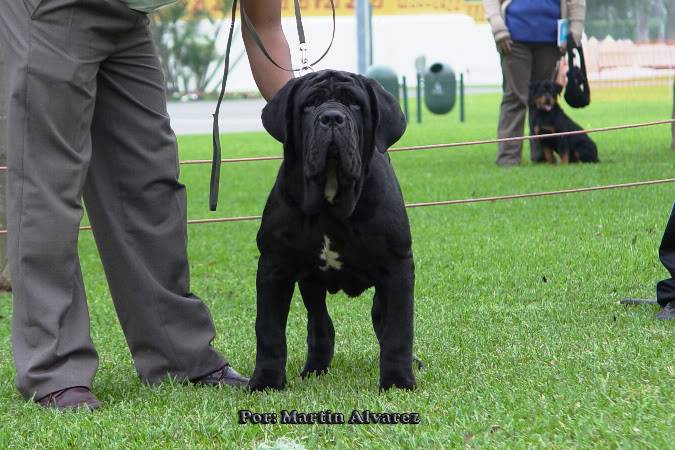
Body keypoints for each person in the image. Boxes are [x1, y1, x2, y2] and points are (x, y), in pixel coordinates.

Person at [0, 0, 292, 410]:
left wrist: (304, 123)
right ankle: (54, 369)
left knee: (148, 176)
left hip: (127, 15)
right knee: (47, 184)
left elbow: (265, 26)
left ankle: (178, 355)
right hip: (50, 6)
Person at [483, 0, 587, 166]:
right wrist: (498, 27)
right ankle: (508, 159)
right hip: (512, 38)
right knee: (515, 97)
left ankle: (541, 156)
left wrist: (574, 32)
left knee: (542, 100)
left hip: (551, 40)